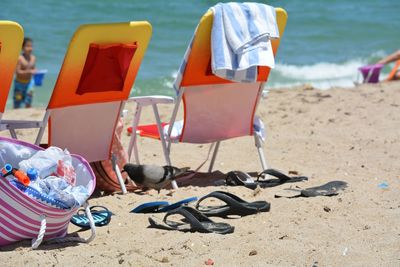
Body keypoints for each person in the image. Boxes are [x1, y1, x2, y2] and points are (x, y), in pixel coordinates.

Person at [14, 37, 36, 108]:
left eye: (31, 46)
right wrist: (28, 71)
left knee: (28, 100)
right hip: (19, 83)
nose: (30, 48)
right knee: (17, 101)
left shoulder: (33, 58)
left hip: (29, 83)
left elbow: (33, 68)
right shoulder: (20, 58)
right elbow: (17, 72)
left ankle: (28, 111)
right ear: (22, 47)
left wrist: (36, 71)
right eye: (28, 46)